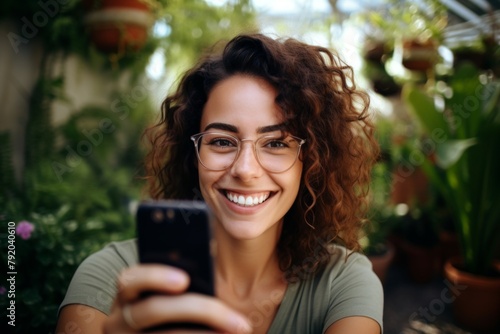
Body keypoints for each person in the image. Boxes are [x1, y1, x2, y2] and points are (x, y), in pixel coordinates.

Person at [56, 33, 383, 334]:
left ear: (311, 160)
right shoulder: (107, 277)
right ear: (193, 154)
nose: (245, 170)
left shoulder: (343, 283)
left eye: (276, 143)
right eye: (222, 142)